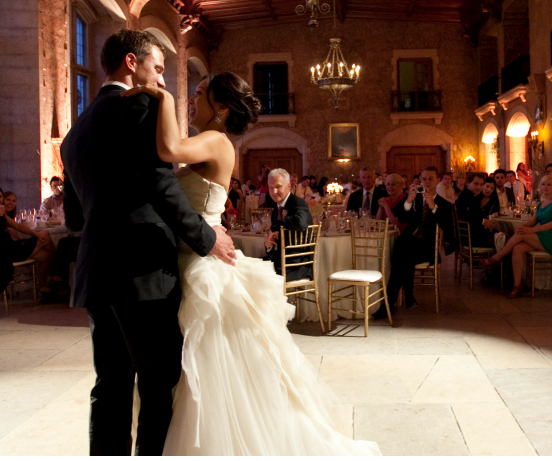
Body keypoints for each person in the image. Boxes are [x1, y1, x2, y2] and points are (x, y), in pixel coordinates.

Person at [124, 71, 379, 455]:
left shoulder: (215, 140)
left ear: (221, 108)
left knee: (214, 364)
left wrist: (162, 98)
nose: (190, 100)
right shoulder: (210, 140)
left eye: (197, 94)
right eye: (188, 95)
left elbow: (168, 150)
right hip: (191, 250)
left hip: (201, 260)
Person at [60, 30, 237, 456]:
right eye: (157, 68)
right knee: (159, 384)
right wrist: (205, 237)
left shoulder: (76, 130)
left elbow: (73, 217)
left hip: (96, 271)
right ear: (130, 62)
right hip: (141, 270)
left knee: (111, 383)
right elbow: (160, 182)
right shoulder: (138, 103)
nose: (160, 80)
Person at [373, 166, 455, 318]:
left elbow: (448, 229)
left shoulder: (443, 204)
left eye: (431, 179)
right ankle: (403, 297)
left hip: (428, 247)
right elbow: (401, 219)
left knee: (401, 247)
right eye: (424, 179)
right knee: (404, 249)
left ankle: (394, 301)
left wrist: (433, 207)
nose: (427, 182)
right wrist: (408, 202)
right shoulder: (415, 199)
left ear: (438, 180)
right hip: (410, 247)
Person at [479, 175, 552, 298]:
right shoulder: (541, 204)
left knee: (522, 234)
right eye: (543, 184)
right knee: (518, 248)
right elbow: (532, 221)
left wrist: (530, 230)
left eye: (549, 185)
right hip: (543, 237)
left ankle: (496, 258)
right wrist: (522, 227)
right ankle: (517, 286)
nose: (545, 187)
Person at [262, 168, 314, 281]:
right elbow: (276, 239)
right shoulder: (276, 209)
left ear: (289, 186)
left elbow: (301, 222)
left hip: (298, 264)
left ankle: (275, 299)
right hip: (280, 261)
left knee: (258, 275)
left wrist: (276, 226)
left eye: (278, 187)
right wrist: (269, 245)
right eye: (271, 188)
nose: (274, 192)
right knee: (245, 268)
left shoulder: (298, 204)